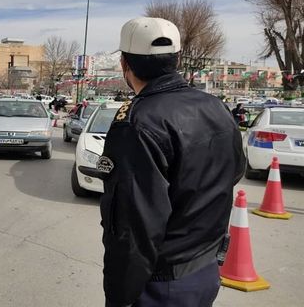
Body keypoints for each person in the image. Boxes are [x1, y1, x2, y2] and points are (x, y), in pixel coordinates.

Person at [98, 17, 245, 307]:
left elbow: (132, 224)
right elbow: (235, 170)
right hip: (205, 271)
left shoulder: (138, 122)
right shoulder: (214, 106)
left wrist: (119, 296)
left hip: (161, 285)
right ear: (176, 60)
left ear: (125, 64)